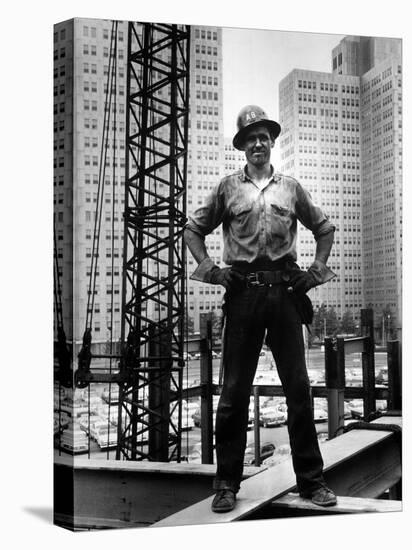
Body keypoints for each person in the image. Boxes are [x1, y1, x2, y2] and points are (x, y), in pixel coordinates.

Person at [184, 105, 337, 513]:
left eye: (263, 136)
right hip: (244, 296)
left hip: (286, 294)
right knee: (233, 393)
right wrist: (213, 272)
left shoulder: (291, 188)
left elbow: (324, 228)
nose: (257, 143)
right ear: (242, 145)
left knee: (299, 391)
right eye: (250, 137)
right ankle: (226, 484)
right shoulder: (227, 189)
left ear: (272, 142)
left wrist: (316, 272)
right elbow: (193, 230)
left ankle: (312, 482)